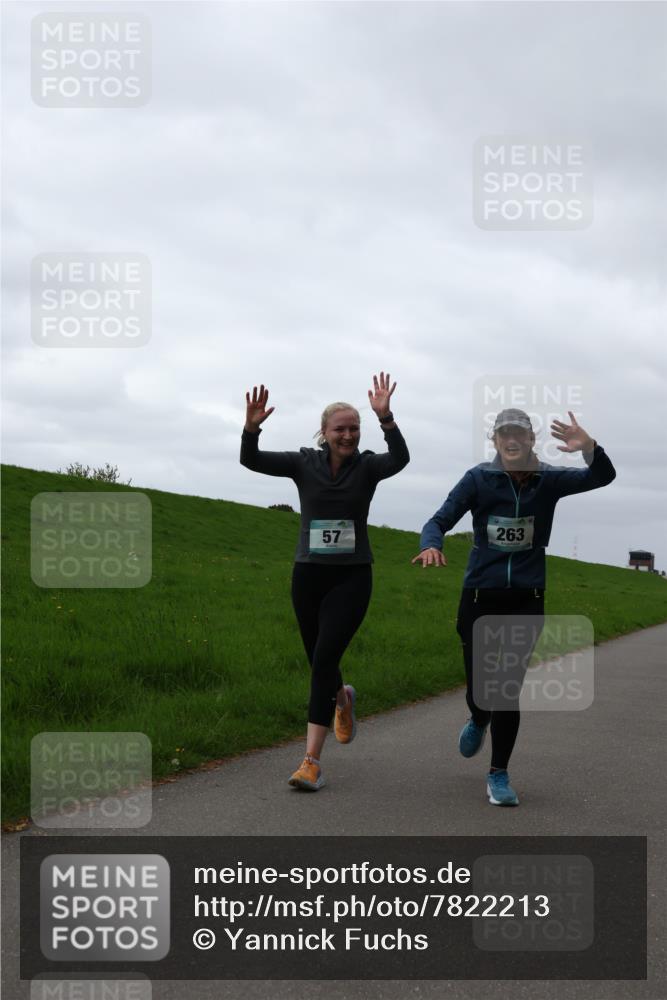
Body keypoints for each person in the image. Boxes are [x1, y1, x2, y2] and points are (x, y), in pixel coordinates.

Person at [412, 408, 616, 806]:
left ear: (529, 441)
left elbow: (602, 476)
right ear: (495, 441)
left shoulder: (549, 480)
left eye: (519, 434)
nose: (511, 440)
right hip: (479, 596)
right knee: (481, 689)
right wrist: (430, 544)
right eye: (504, 433)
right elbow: (438, 519)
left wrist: (589, 447)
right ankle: (477, 715)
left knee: (506, 689)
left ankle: (498, 773)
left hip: (526, 598)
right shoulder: (478, 479)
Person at [241, 374, 409, 790]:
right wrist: (251, 428)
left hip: (352, 576)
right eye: (341, 429)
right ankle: (342, 699)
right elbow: (252, 461)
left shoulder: (369, 466)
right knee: (319, 658)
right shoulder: (303, 463)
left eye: (355, 428)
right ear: (325, 432)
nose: (348, 435)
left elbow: (400, 459)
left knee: (323, 660)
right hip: (308, 575)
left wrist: (387, 420)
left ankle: (311, 761)